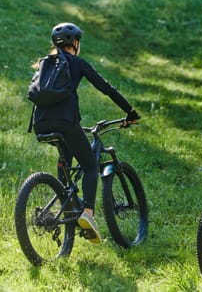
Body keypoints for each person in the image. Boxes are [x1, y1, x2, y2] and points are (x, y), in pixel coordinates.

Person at [30, 22, 140, 244]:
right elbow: (106, 87)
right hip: (66, 122)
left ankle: (67, 206)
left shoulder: (44, 63)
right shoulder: (77, 63)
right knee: (90, 166)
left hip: (41, 123)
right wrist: (130, 111)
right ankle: (87, 214)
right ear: (76, 43)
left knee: (65, 158)